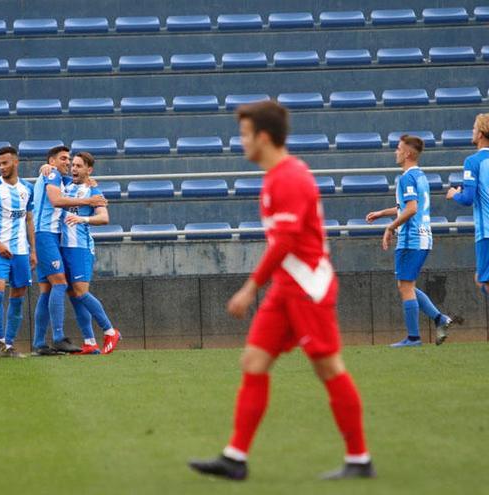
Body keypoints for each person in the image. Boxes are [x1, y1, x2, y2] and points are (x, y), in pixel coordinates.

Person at [188, 101, 374, 481]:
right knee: (253, 363)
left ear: (264, 137)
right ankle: (235, 458)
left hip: (308, 288)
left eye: (244, 134)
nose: (240, 141)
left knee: (328, 367)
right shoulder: (276, 176)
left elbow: (286, 240)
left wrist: (250, 287)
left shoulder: (290, 177)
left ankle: (359, 459)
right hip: (286, 287)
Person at [366, 135, 461, 347]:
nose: (395, 152)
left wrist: (390, 227)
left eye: (399, 148)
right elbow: (407, 206)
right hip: (423, 237)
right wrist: (382, 213)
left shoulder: (406, 178)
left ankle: (413, 338)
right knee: (405, 285)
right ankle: (439, 319)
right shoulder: (420, 176)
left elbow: (411, 209)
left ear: (408, 153)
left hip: (412, 239)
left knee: (405, 286)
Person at [31, 146, 107, 356]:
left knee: (46, 290)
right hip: (47, 234)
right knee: (61, 284)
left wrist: (91, 184)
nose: (68, 163)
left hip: (48, 235)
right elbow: (56, 201)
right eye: (64, 159)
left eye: (70, 160)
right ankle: (58, 337)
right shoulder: (53, 174)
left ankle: (39, 343)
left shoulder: (57, 177)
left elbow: (78, 183)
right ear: (52, 161)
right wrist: (89, 201)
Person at [59, 152, 121, 354]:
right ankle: (89, 341)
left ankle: (110, 330)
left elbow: (104, 218)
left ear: (89, 170)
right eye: (73, 165)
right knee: (73, 295)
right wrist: (47, 168)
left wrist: (82, 220)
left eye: (78, 166)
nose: (74, 168)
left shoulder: (93, 190)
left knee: (81, 292)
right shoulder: (66, 185)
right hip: (63, 246)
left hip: (81, 247)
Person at [0, 146, 34, 358]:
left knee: (18, 296)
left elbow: (29, 219)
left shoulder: (27, 188)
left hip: (21, 251)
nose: (1, 167)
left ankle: (9, 344)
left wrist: (33, 251)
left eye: (5, 163)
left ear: (16, 162)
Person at [446, 113, 489, 295]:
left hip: (486, 232)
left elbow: (467, 198)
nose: (471, 132)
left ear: (480, 134)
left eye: (473, 128)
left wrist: (455, 194)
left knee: (484, 282)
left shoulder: (473, 162)